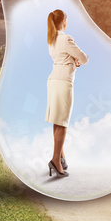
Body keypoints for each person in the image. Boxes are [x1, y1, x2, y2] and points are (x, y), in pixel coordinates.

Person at [45, 9, 88, 177]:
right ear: (64, 21)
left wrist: (72, 61)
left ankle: (61, 156)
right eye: (67, 19)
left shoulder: (52, 39)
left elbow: (63, 59)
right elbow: (84, 58)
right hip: (64, 82)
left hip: (53, 81)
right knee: (62, 122)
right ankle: (55, 160)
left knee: (57, 120)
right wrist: (78, 60)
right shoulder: (66, 38)